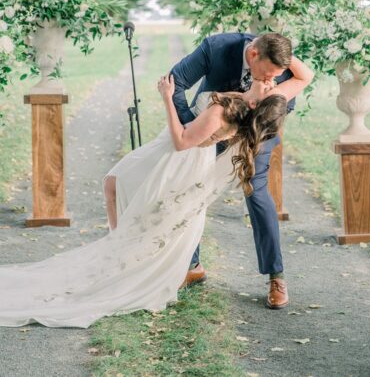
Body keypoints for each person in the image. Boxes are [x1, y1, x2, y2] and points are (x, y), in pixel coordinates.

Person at [0, 59, 309, 328]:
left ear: (257, 105)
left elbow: (183, 141)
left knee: (127, 193)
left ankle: (119, 252)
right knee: (119, 187)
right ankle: (121, 248)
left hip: (175, 153)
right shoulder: (249, 102)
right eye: (271, 80)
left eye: (271, 85)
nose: (272, 82)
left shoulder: (228, 114)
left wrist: (166, 98)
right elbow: (303, 78)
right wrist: (279, 60)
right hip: (177, 151)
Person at [171, 32, 314, 309]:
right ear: (252, 55)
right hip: (211, 126)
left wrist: (254, 120)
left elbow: (285, 101)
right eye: (269, 73)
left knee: (257, 192)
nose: (271, 79)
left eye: (278, 74)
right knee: (193, 189)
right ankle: (192, 265)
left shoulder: (282, 67)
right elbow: (174, 83)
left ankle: (276, 276)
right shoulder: (216, 48)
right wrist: (193, 127)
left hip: (258, 130)